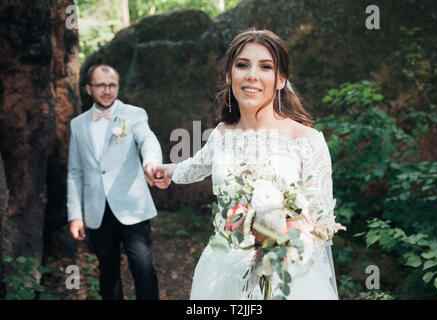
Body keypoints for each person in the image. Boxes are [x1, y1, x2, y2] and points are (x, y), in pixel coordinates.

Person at [150, 29, 342, 299]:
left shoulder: (307, 140)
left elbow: (322, 224)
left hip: (288, 279)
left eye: (265, 67)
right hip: (222, 273)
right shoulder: (221, 135)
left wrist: (278, 242)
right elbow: (196, 165)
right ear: (229, 75)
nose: (252, 75)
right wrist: (168, 171)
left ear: (280, 80)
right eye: (242, 65)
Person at [67, 64, 164, 300]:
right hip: (96, 210)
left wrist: (151, 162)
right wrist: (75, 215)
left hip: (132, 207)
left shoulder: (135, 114)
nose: (107, 90)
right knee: (107, 273)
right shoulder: (77, 124)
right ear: (89, 89)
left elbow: (148, 140)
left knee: (142, 268)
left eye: (112, 85)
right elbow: (75, 171)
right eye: (101, 85)